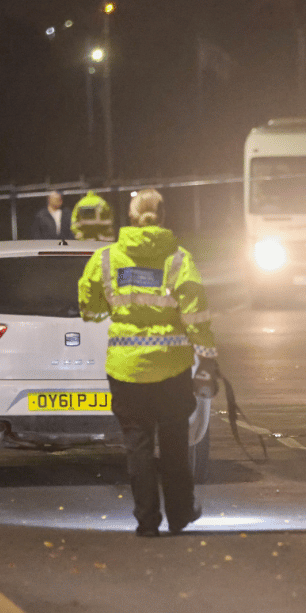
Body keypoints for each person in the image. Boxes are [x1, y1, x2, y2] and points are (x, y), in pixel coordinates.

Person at [78, 189, 218, 537]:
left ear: (130, 217)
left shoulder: (107, 259)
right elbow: (196, 314)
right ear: (163, 216)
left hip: (126, 370)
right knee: (174, 444)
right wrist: (207, 358)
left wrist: (114, 308)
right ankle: (180, 514)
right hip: (171, 369)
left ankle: (147, 521)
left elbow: (90, 308)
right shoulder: (179, 260)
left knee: (137, 445)